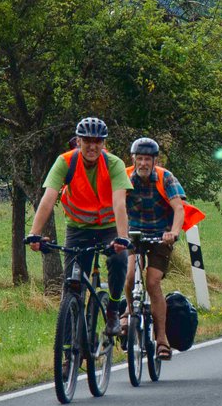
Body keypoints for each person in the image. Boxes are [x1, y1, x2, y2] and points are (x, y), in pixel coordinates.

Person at [26, 116, 132, 335]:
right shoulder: (65, 162)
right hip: (78, 229)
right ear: (78, 141)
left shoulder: (114, 164)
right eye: (87, 140)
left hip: (109, 228)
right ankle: (70, 347)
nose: (92, 146)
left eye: (97, 141)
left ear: (104, 143)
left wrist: (122, 238)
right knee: (72, 286)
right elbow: (48, 198)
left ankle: (113, 309)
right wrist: (34, 234)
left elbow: (119, 203)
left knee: (119, 260)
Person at [123, 137, 203, 361]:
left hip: (161, 235)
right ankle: (129, 311)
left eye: (148, 159)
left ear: (154, 160)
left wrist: (174, 233)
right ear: (133, 159)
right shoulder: (125, 177)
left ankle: (161, 338)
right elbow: (116, 204)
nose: (143, 164)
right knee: (130, 275)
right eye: (139, 159)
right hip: (134, 233)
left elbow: (179, 208)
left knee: (152, 282)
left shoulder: (165, 177)